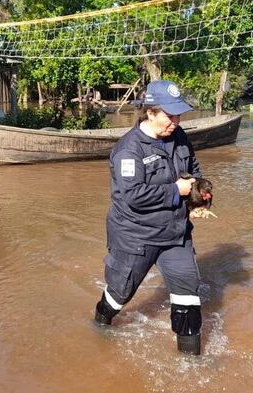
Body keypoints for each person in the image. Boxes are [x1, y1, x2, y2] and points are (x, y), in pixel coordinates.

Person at [93, 80, 205, 355]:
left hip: (175, 235)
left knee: (188, 295)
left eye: (179, 115)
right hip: (136, 237)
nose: (176, 122)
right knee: (119, 296)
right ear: (150, 112)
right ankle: (99, 325)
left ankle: (191, 365)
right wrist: (175, 190)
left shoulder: (179, 138)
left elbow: (193, 169)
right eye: (170, 115)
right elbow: (132, 196)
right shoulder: (128, 151)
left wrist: (200, 193)